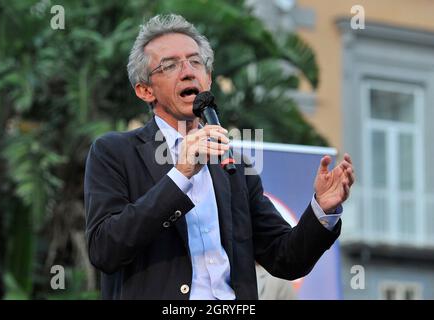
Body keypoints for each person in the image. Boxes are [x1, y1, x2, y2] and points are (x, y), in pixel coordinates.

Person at [84, 14, 355, 300]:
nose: (188, 71)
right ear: (144, 90)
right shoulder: (115, 152)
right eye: (170, 65)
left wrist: (322, 211)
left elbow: (285, 258)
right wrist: (180, 175)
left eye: (195, 62)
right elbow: (105, 249)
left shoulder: (233, 166)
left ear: (208, 79)